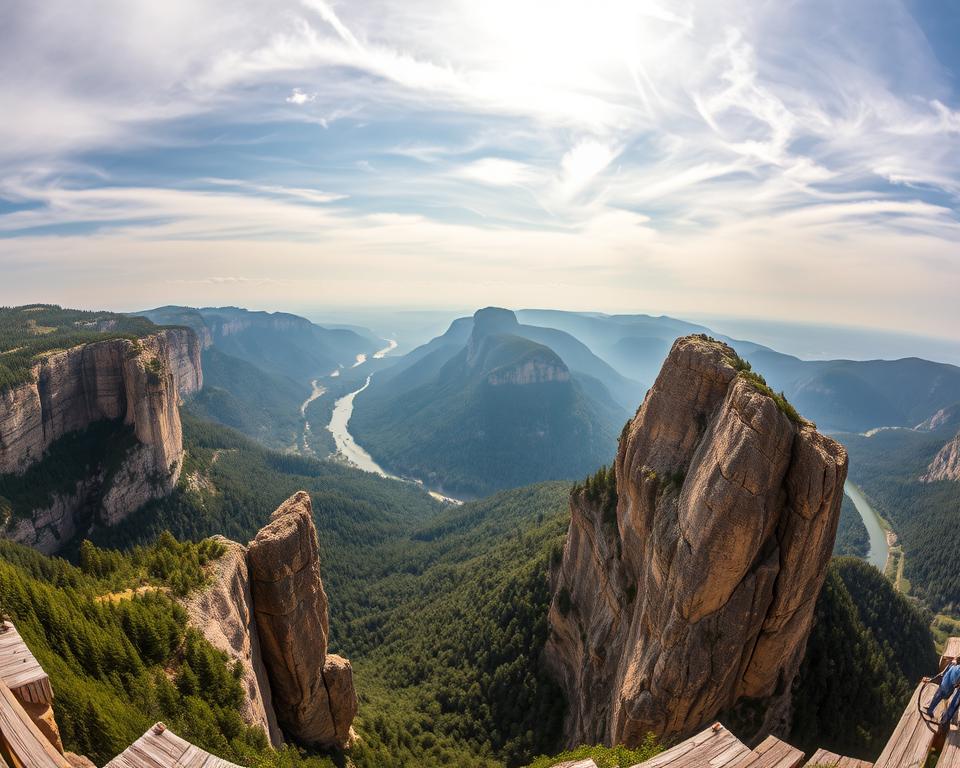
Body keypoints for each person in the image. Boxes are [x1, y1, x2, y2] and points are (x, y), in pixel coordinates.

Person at [926, 659, 960, 726]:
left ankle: (930, 710)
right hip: (950, 687)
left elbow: (945, 673)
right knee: (953, 704)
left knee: (938, 696)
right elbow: (955, 683)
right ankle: (944, 721)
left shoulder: (953, 666)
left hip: (944, 684)